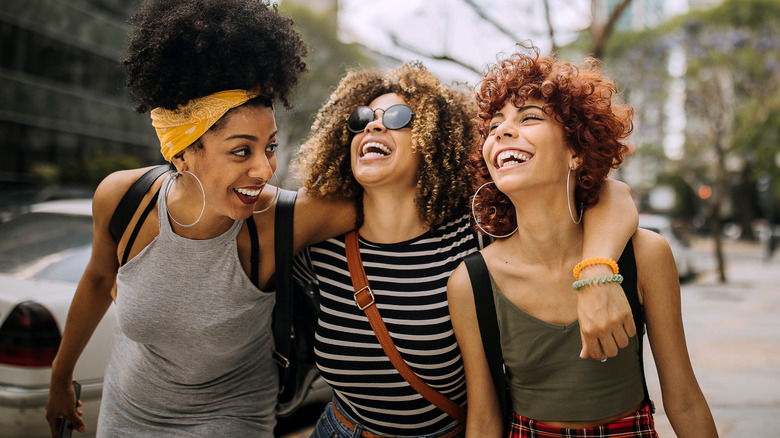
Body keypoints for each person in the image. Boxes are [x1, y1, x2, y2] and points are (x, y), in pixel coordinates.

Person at [44, 0, 353, 436]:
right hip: (124, 412)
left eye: (269, 147)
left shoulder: (280, 220)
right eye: (241, 151)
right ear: (185, 152)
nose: (265, 170)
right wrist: (59, 380)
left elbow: (386, 197)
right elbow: (97, 280)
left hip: (233, 418)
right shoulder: (123, 200)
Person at [291, 62, 641, 438]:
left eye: (396, 117)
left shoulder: (477, 237)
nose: (374, 125)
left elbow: (613, 193)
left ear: (434, 137)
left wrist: (596, 271)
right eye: (361, 118)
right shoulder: (320, 250)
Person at [447, 48, 718, 437]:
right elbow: (485, 419)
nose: (502, 131)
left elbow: (685, 400)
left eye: (529, 118)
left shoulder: (644, 255)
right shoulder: (469, 282)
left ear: (576, 151)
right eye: (494, 126)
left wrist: (597, 273)